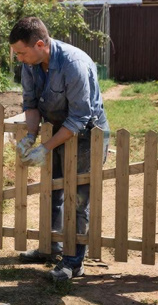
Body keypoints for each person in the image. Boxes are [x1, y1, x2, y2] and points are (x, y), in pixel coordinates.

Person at [8, 17, 110, 281]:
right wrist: (31, 136)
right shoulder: (30, 64)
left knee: (78, 197)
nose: (19, 58)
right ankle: (51, 248)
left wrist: (45, 147)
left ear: (40, 44)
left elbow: (79, 118)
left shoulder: (73, 64)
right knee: (53, 191)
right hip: (55, 131)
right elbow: (30, 104)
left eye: (21, 52)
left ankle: (74, 262)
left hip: (87, 134)